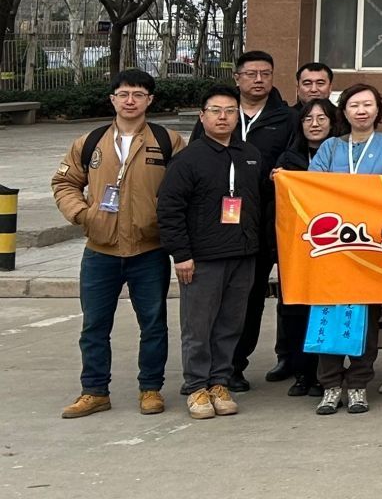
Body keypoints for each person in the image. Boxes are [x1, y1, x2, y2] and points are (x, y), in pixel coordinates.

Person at [53, 69, 185, 419]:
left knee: (153, 324)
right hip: (101, 250)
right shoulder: (90, 142)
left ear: (149, 100)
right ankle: (94, 391)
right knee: (94, 326)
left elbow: (184, 188)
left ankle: (150, 389)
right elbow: (64, 183)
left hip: (149, 249)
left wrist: (162, 219)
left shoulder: (168, 140)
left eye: (138, 94)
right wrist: (83, 214)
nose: (130, 101)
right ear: (112, 99)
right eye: (123, 94)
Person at [156, 85, 263, 420]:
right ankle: (196, 386)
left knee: (230, 324)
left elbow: (258, 203)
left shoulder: (250, 155)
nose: (223, 117)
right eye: (215, 111)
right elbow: (169, 209)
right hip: (202, 258)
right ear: (202, 116)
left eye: (230, 111)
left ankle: (219, 382)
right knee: (198, 326)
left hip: (242, 255)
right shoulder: (188, 159)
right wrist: (181, 254)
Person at [308, 84, 382, 414]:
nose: (361, 111)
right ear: (344, 111)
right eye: (354, 105)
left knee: (366, 316)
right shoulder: (331, 147)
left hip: (370, 245)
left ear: (378, 110)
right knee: (327, 313)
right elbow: (312, 187)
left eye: (367, 104)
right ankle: (330, 385)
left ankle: (358, 384)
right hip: (331, 246)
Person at [211, 50, 295, 392]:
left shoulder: (286, 118)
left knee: (257, 295)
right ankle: (220, 364)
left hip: (269, 220)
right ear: (237, 78)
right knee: (227, 296)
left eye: (265, 73)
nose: (259, 80)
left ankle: (241, 364)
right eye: (251, 74)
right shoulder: (221, 113)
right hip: (224, 221)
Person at [273, 98, 337, 397]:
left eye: (322, 118)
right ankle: (302, 373)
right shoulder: (288, 158)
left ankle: (326, 375)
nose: (315, 124)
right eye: (308, 118)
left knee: (326, 310)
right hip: (297, 245)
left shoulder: (342, 154)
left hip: (333, 244)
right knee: (296, 311)